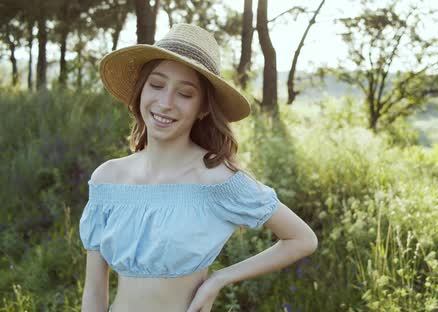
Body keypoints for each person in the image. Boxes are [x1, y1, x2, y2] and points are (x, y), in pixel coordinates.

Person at [79, 23, 318, 312]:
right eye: (156, 85)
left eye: (185, 93)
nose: (165, 103)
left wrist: (219, 279)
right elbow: (93, 293)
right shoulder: (107, 179)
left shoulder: (217, 180)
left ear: (203, 108)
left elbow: (302, 239)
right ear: (141, 91)